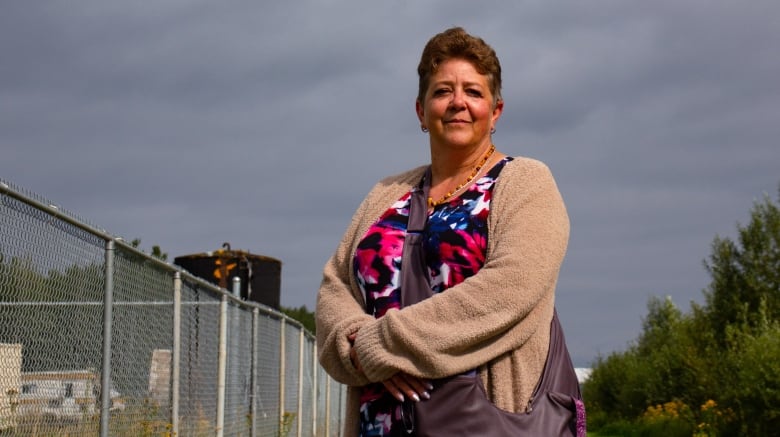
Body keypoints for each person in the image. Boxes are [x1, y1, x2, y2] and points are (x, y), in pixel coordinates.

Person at [316, 27, 570, 436]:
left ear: (496, 110)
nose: (458, 103)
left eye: (473, 91)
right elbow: (335, 287)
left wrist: (382, 346)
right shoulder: (386, 193)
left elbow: (512, 288)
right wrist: (361, 348)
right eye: (442, 92)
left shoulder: (525, 182)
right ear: (420, 110)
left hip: (483, 423)